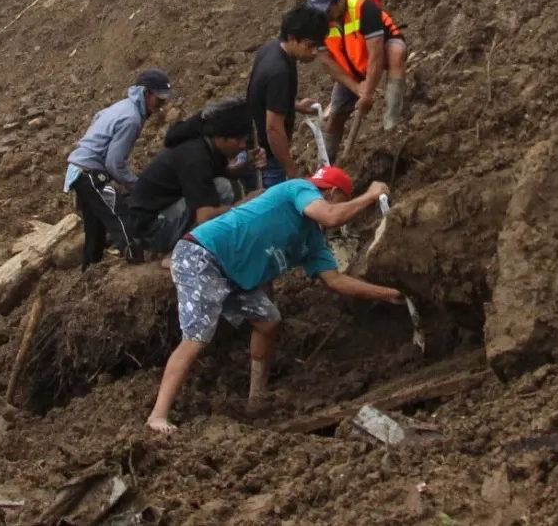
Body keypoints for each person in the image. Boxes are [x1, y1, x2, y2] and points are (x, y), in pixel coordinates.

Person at [145, 165, 402, 434]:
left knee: (268, 321)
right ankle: (158, 415)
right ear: (333, 192)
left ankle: (256, 398)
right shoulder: (299, 189)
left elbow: (335, 280)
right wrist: (370, 196)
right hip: (203, 254)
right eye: (342, 200)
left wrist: (387, 294)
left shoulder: (312, 240)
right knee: (197, 337)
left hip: (234, 276)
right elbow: (331, 216)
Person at [123, 98, 259, 258]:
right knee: (223, 188)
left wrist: (247, 163)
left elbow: (223, 173)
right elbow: (204, 216)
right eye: (238, 140)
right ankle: (180, 251)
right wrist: (245, 204)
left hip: (161, 214)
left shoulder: (208, 146)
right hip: (151, 229)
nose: (243, 146)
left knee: (226, 186)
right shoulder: (195, 157)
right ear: (221, 137)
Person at [64, 67, 172, 266]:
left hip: (78, 168)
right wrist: (137, 185)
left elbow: (98, 118)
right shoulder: (132, 119)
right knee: (120, 217)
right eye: (159, 100)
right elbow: (114, 163)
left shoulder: (121, 106)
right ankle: (137, 265)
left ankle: (90, 270)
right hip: (90, 171)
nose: (160, 106)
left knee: (95, 226)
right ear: (146, 93)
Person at [304, 0, 409, 162]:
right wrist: (355, 87)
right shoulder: (316, 19)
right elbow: (327, 62)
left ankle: (391, 126)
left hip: (378, 53)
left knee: (397, 52)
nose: (323, 16)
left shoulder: (364, 7)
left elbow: (376, 55)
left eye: (327, 10)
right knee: (336, 115)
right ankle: (324, 166)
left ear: (339, 1)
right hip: (348, 66)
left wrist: (367, 93)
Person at [244, 5, 328, 189]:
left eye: (318, 45)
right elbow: (273, 129)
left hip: (256, 148)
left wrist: (294, 105)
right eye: (310, 45)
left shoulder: (271, 49)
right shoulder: (279, 72)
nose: (315, 51)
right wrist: (290, 170)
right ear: (292, 39)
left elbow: (261, 95)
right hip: (268, 159)